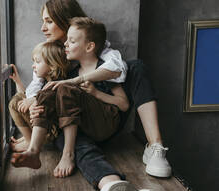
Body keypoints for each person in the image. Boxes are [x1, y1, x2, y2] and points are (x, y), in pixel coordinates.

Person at [12, 17, 160, 191]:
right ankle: (113, 186)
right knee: (54, 95)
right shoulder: (70, 70)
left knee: (62, 87)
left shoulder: (104, 68)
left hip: (104, 123)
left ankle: (67, 154)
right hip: (79, 128)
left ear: (89, 46)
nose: (66, 44)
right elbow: (45, 85)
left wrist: (96, 93)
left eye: (72, 41)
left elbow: (124, 104)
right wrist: (37, 103)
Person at [27, 0, 171, 178]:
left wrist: (79, 81)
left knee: (136, 66)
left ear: (65, 20)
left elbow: (117, 68)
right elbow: (37, 84)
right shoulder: (50, 52)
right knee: (71, 142)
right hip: (74, 125)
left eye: (49, 21)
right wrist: (35, 102)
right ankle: (110, 183)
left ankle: (155, 146)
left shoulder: (94, 46)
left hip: (106, 118)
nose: (43, 28)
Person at [8, 40, 70, 153]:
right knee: (18, 99)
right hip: (47, 129)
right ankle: (28, 139)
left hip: (51, 131)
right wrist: (17, 81)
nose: (33, 66)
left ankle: (29, 141)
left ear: (52, 65)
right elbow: (25, 96)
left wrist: (33, 101)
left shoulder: (55, 86)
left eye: (37, 62)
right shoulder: (44, 82)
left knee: (15, 102)